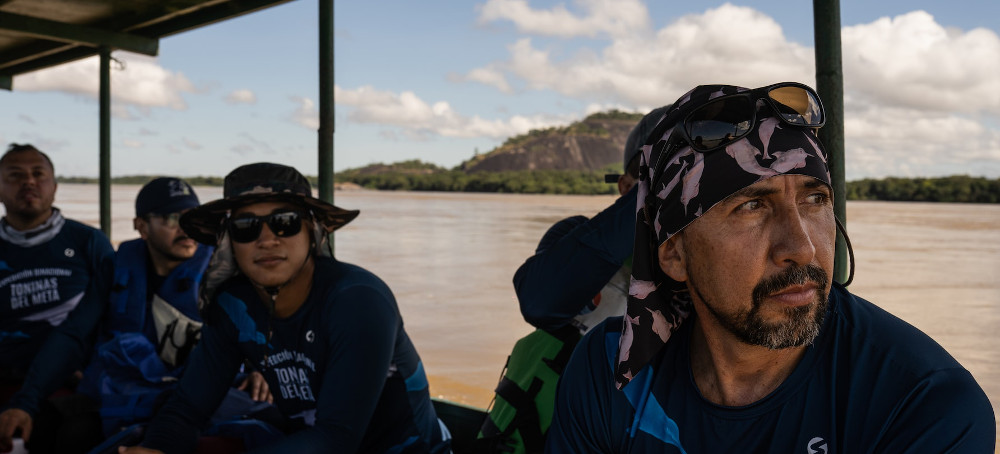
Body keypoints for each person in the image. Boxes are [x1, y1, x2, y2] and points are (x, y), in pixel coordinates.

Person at [546, 83, 996, 452]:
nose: (802, 249)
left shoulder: (923, 404)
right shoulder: (611, 368)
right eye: (753, 206)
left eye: (814, 200)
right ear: (675, 253)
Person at [119, 162, 450, 454]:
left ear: (311, 229)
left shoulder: (357, 300)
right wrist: (156, 448)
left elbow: (337, 439)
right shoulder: (234, 306)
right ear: (229, 241)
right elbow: (187, 408)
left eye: (285, 222)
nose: (266, 240)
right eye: (246, 227)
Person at [477, 107, 668, 453]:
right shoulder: (574, 238)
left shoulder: (715, 264)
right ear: (625, 187)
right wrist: (652, 196)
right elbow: (540, 300)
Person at [78, 177, 273, 440]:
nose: (186, 229)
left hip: (209, 390)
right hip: (134, 390)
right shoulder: (115, 270)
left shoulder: (228, 271)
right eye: (172, 219)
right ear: (142, 227)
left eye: (192, 218)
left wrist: (263, 368)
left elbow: (269, 327)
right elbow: (75, 333)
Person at [0, 143, 115, 453]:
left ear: (54, 186)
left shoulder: (88, 242)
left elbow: (112, 315)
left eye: (39, 174)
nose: (28, 182)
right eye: (15, 175)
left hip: (74, 382)